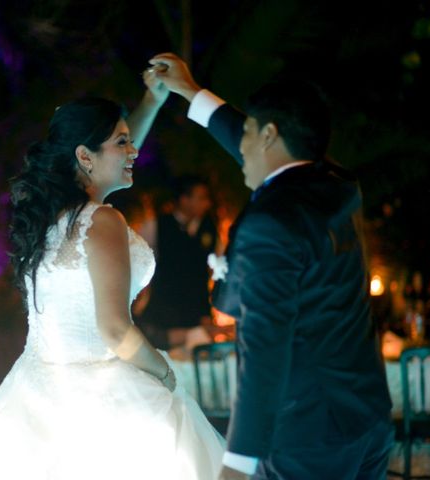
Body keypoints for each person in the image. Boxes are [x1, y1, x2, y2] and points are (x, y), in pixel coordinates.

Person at [0, 77, 225, 479]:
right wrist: (164, 373)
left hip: (37, 389)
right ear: (85, 156)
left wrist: (151, 101)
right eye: (123, 143)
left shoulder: (50, 218)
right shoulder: (103, 220)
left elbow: (106, 150)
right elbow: (113, 329)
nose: (135, 152)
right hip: (103, 391)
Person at [150, 52, 393, 480]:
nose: (240, 148)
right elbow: (257, 137)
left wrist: (238, 461)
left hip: (306, 438)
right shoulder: (335, 186)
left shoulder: (270, 223)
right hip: (366, 421)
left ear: (268, 136)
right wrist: (191, 93)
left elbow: (266, 348)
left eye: (247, 133)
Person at [136, 174, 219, 350]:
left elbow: (210, 272)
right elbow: (138, 265)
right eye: (202, 198)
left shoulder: (210, 228)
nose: (207, 203)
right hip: (163, 314)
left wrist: (206, 313)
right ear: (184, 199)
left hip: (197, 315)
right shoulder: (156, 226)